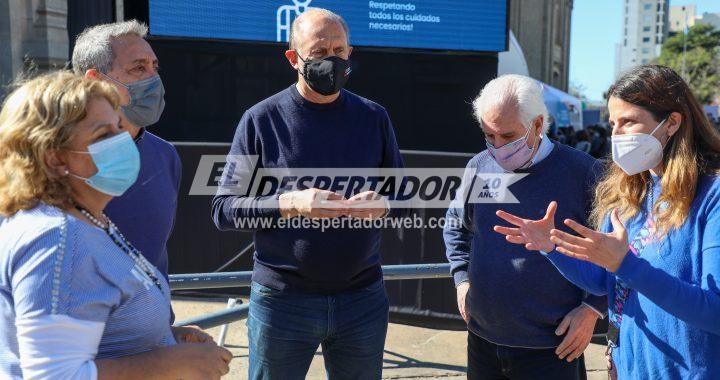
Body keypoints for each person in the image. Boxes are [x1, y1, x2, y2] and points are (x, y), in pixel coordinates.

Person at [211, 8, 405, 380]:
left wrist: (382, 205)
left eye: (339, 50)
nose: (331, 61)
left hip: (362, 299)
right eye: (318, 53)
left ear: (350, 54)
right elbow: (224, 209)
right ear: (293, 59)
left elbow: (403, 196)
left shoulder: (374, 117)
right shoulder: (261, 120)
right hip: (283, 302)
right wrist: (288, 204)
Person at [493, 65, 720, 379]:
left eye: (628, 122)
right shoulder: (629, 191)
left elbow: (715, 311)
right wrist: (551, 247)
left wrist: (626, 264)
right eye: (613, 123)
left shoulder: (713, 196)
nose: (616, 135)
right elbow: (602, 280)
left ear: (672, 123)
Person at [0, 72, 232, 379]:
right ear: (55, 158)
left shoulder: (83, 219)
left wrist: (166, 340)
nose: (122, 143)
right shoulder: (56, 238)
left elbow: (94, 326)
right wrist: (172, 363)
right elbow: (52, 376)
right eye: (103, 135)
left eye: (119, 128)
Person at [444, 74, 606, 380]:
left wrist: (592, 309)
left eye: (507, 136)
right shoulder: (479, 166)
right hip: (483, 343)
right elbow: (455, 227)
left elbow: (619, 249)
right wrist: (461, 279)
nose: (497, 147)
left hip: (552, 349)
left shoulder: (583, 172)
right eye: (488, 136)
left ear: (537, 124)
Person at [72, 20, 181, 280]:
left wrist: (162, 321)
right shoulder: (59, 159)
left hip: (152, 320)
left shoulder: (166, 156)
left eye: (154, 66)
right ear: (95, 81)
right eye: (138, 68)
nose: (153, 78)